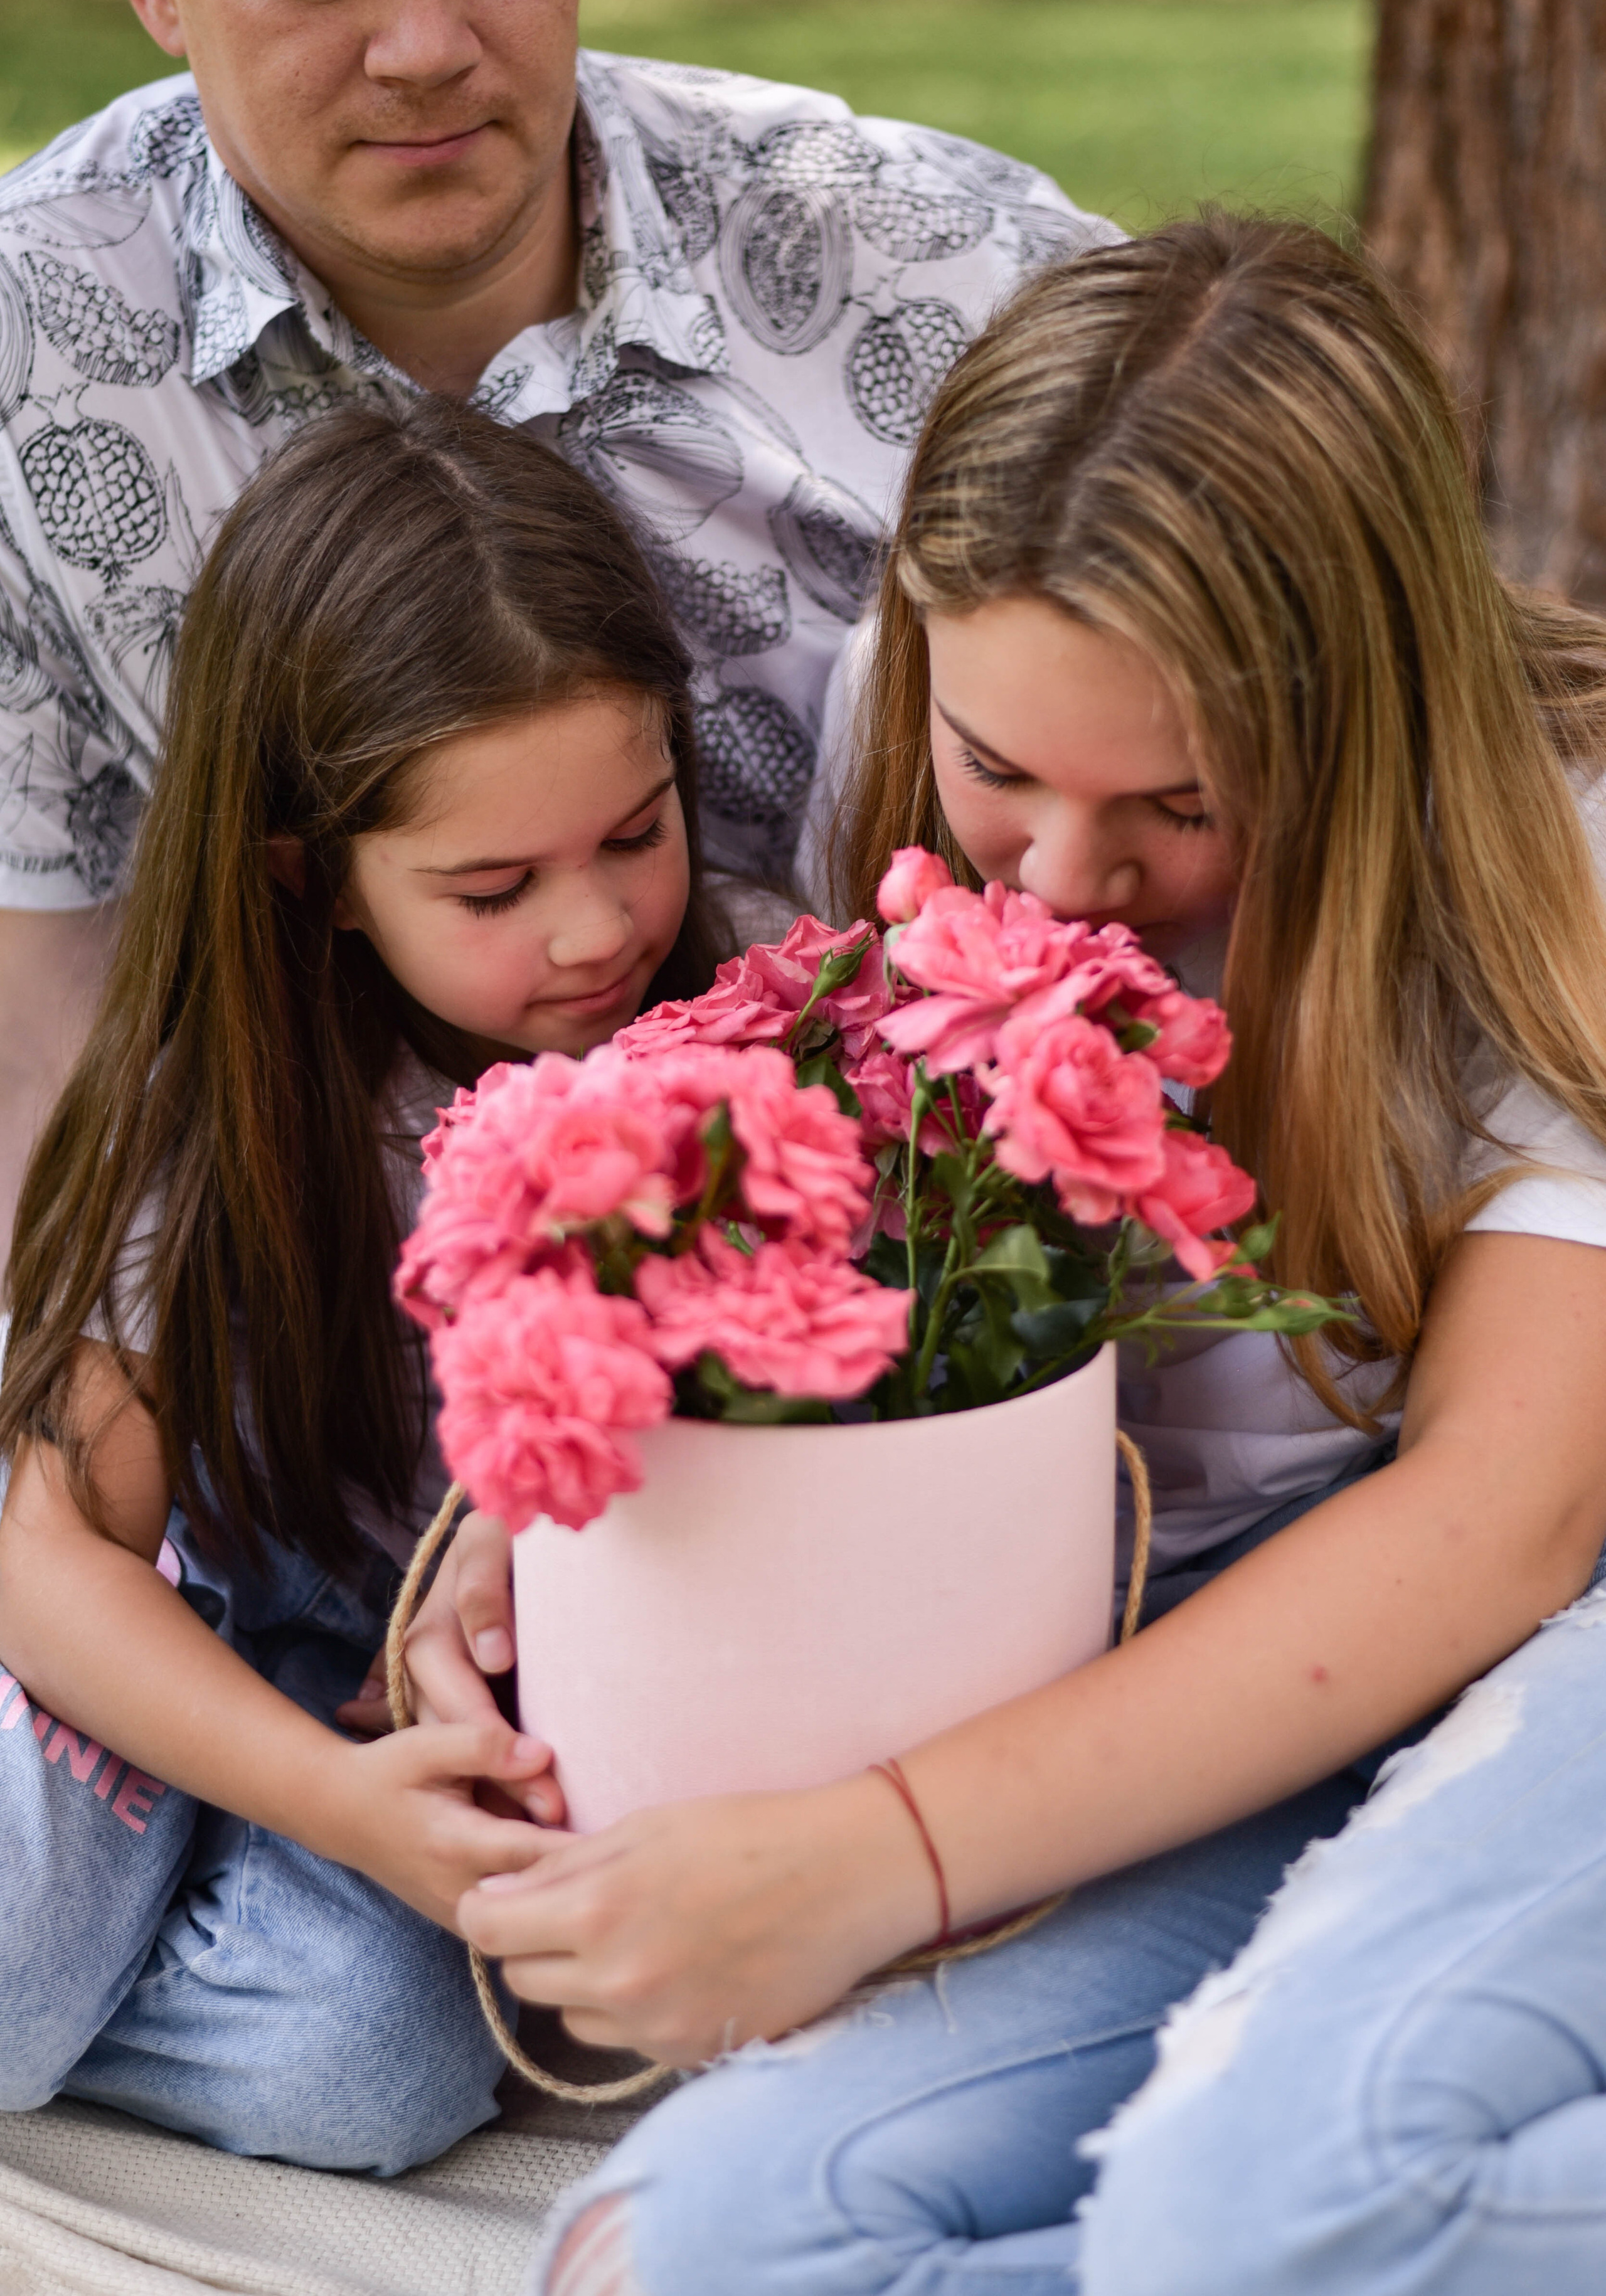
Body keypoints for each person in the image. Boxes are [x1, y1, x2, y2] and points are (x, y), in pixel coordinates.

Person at [432, 215, 1606, 2295]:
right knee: (674, 2252)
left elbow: (1503, 1524)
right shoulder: (912, 717)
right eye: (999, 772)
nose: (1065, 878)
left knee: (1266, 2220)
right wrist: (520, 1515)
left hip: (1540, 1645)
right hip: (1222, 1689)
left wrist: (878, 1856)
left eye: (1180, 799)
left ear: (1371, 716)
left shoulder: (1561, 860)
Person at [0, 0, 1114, 1263]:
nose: (423, 45)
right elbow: (47, 1046)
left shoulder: (961, 274)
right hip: (335, 1367)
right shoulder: (28, 364)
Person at [0, 394, 721, 2174]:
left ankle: (149, 1911)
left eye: (636, 834)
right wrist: (320, 1796)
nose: (593, 928)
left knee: (371, 2071)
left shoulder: (729, 1065)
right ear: (311, 882)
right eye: (494, 884)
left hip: (382, 1676)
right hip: (152, 1600)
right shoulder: (224, 1110)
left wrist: (379, 1802)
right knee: (15, 1959)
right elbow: (49, 1554)